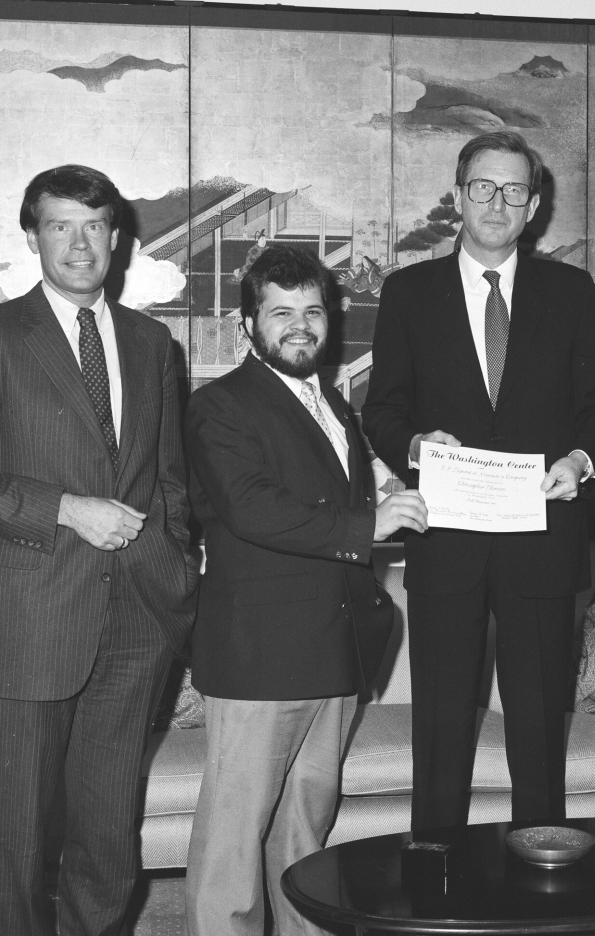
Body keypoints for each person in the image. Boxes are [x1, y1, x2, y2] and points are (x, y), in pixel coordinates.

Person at [0, 164, 199, 935]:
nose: (79, 242)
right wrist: (65, 508)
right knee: (17, 844)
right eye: (59, 224)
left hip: (136, 624)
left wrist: (176, 573)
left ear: (118, 237)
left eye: (94, 225)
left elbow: (171, 482)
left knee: (109, 842)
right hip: (32, 622)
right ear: (33, 236)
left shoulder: (150, 343)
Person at [362, 130, 595, 829]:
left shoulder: (571, 294)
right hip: (446, 540)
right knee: (443, 724)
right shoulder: (409, 292)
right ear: (457, 197)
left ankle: (539, 875)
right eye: (483, 186)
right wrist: (415, 444)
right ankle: (437, 872)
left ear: (534, 205)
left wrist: (580, 461)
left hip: (542, 539)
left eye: (515, 189)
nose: (498, 202)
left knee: (540, 728)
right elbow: (382, 409)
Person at [183, 245, 427, 936]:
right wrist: (370, 519)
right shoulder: (220, 405)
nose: (300, 325)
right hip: (260, 656)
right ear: (247, 326)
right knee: (233, 842)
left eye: (313, 311)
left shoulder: (333, 405)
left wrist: (397, 496)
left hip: (334, 649)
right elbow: (250, 507)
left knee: (304, 834)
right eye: (281, 311)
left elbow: (332, 501)